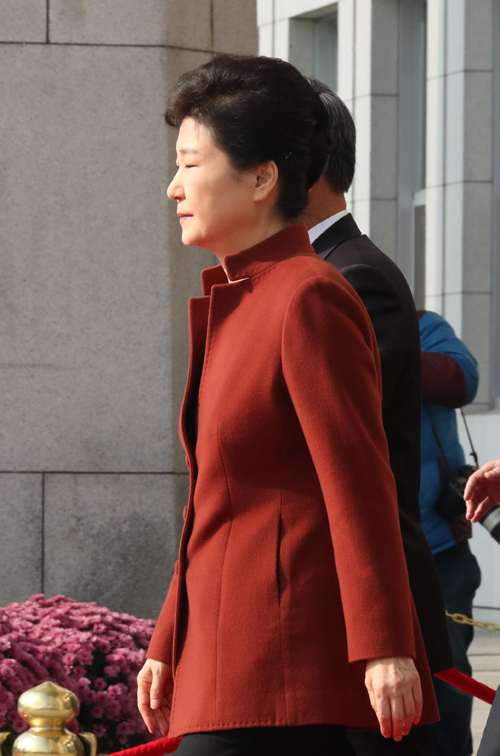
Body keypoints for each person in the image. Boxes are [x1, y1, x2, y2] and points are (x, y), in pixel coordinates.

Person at [136, 55, 438, 756]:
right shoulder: (243, 299)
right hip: (222, 660)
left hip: (278, 670)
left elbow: (358, 483)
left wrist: (387, 646)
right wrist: (166, 639)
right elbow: (215, 501)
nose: (173, 187)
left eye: (190, 163)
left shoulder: (310, 295)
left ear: (262, 176)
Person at [302, 80, 452, 756]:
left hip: (364, 614)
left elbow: (354, 468)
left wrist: (382, 639)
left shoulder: (351, 276)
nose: (178, 186)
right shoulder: (312, 274)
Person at [416, 310, 480, 756]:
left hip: (437, 550)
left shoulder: (421, 326)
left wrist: (388, 348)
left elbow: (463, 380)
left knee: (448, 687)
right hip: (353, 555)